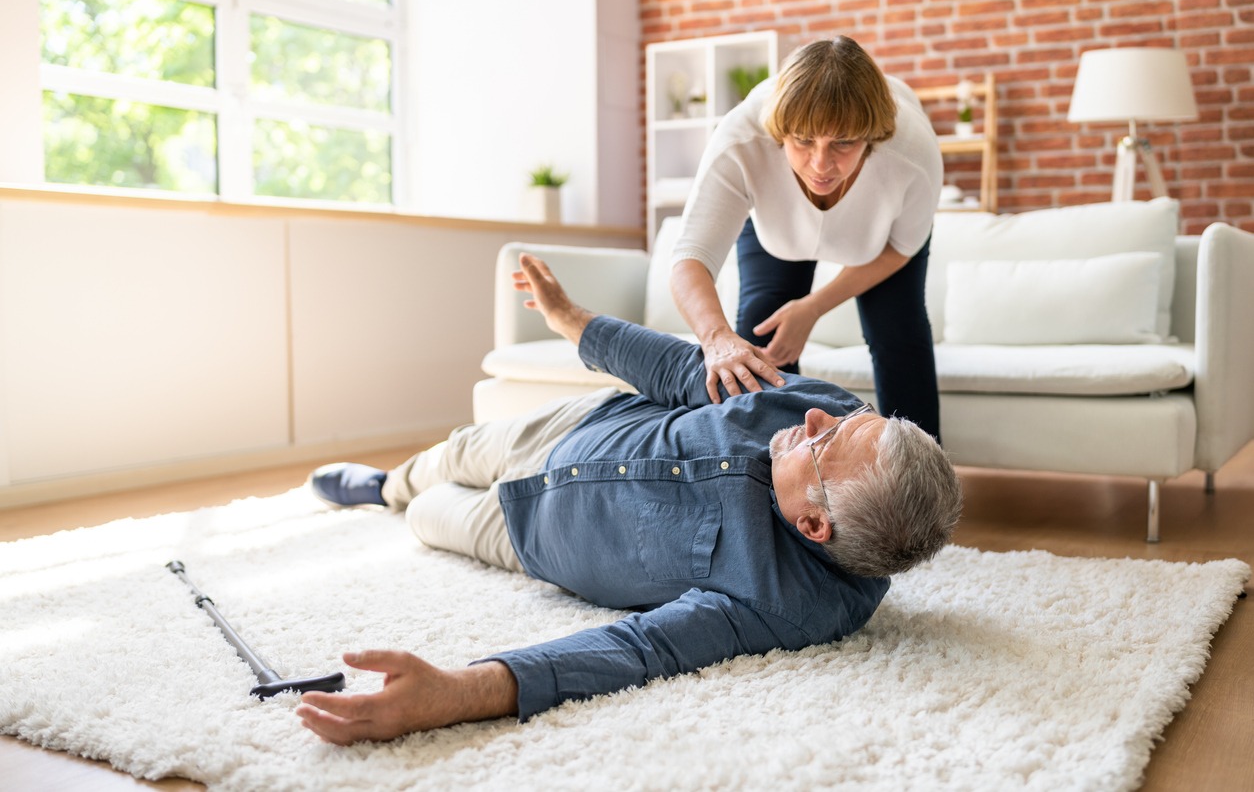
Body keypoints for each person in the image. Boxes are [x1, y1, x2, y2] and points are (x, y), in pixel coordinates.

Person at [296, 253, 962, 745]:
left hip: (535, 536)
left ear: (814, 524)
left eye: (822, 446)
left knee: (428, 514)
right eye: (850, 419)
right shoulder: (821, 409)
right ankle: (382, 484)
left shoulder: (792, 606)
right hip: (581, 427)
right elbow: (681, 370)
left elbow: (643, 649)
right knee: (454, 452)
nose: (817, 418)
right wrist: (571, 321)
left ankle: (406, 502)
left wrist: (460, 692)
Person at [669, 36, 944, 439]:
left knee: (898, 337)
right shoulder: (741, 142)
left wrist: (813, 308)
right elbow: (689, 257)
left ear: (871, 137)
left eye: (843, 143)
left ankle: (922, 490)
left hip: (881, 242)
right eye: (803, 140)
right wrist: (717, 340)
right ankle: (773, 481)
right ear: (781, 133)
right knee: (758, 341)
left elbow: (901, 248)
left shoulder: (912, 156)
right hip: (778, 227)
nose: (820, 165)